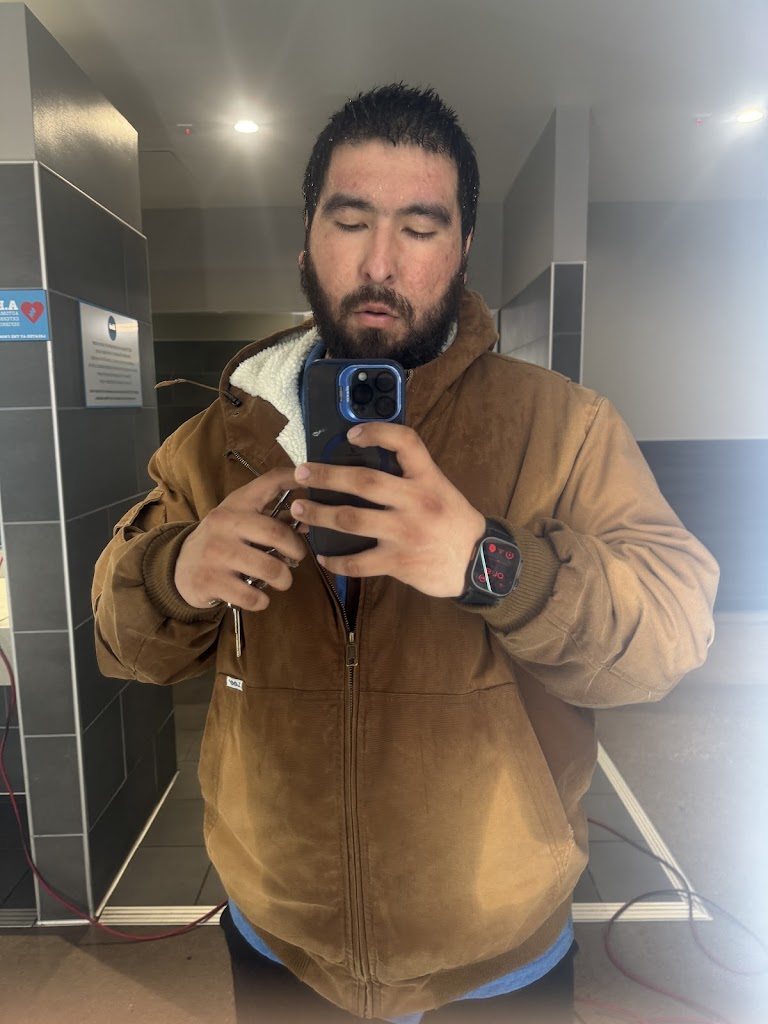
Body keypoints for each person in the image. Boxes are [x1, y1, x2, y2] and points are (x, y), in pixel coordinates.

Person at [92, 84, 719, 1024]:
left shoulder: (565, 429)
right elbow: (120, 642)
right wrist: (175, 571)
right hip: (283, 934)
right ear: (307, 242)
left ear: (461, 251)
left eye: (420, 228)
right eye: (351, 222)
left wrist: (487, 563)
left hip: (495, 952)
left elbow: (671, 636)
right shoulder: (213, 442)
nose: (380, 262)